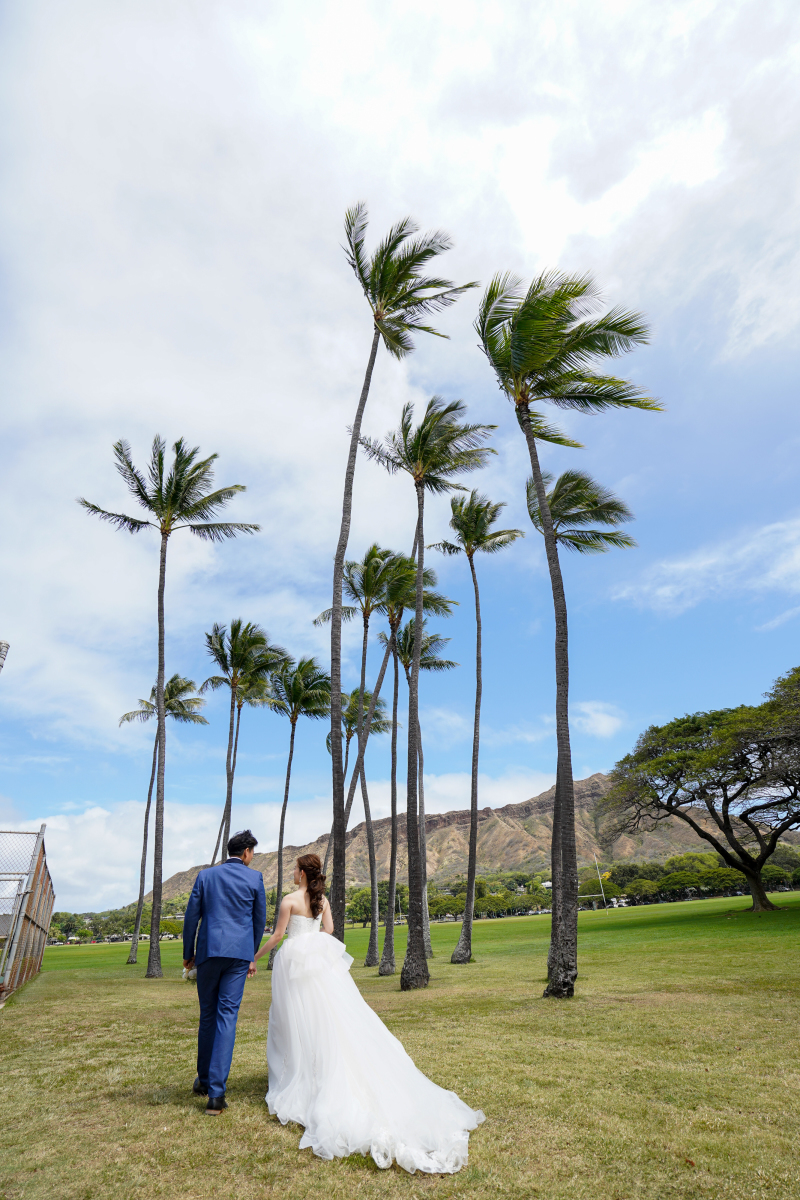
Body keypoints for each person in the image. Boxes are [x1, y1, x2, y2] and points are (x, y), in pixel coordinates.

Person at [254, 853, 484, 1173]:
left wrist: (255, 958)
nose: (292, 872)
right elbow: (330, 930)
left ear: (303, 874)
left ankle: (305, 1072)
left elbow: (278, 936)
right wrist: (313, 946)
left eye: (295, 868)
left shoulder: (289, 901)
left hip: (293, 963)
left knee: (296, 1022)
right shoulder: (321, 900)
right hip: (318, 964)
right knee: (331, 1019)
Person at [183, 829, 267, 1114]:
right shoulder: (254, 878)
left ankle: (204, 1081)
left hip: (208, 952)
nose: (252, 857)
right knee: (227, 1016)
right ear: (245, 852)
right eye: (252, 852)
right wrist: (251, 953)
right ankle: (216, 1095)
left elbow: (191, 917)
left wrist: (188, 955)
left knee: (208, 1014)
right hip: (238, 955)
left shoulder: (206, 876)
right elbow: (259, 920)